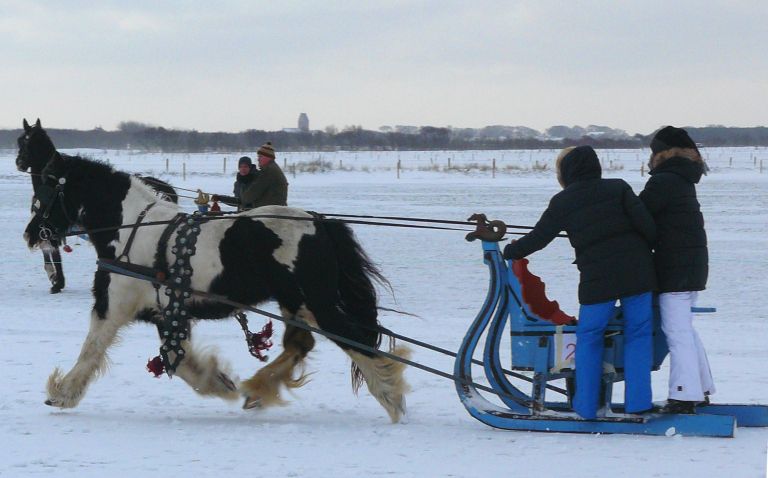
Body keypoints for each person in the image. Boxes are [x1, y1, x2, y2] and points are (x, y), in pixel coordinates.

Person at [503, 145, 657, 419]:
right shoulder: (619, 187)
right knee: (639, 335)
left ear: (567, 172)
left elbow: (539, 237)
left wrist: (511, 251)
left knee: (589, 337)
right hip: (638, 271)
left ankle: (586, 408)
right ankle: (639, 404)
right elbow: (648, 227)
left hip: (598, 279)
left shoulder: (563, 201)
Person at [640, 126, 714, 415]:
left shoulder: (664, 181)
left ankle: (684, 394)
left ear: (662, 153)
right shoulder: (683, 179)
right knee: (684, 329)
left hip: (675, 268)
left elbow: (640, 215)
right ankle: (701, 386)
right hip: (691, 266)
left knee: (676, 330)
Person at [239, 141, 288, 209]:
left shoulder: (268, 171)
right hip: (274, 210)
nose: (258, 159)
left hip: (270, 213)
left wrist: (243, 189)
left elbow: (248, 197)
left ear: (269, 157)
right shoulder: (272, 168)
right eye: (258, 156)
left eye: (260, 156)